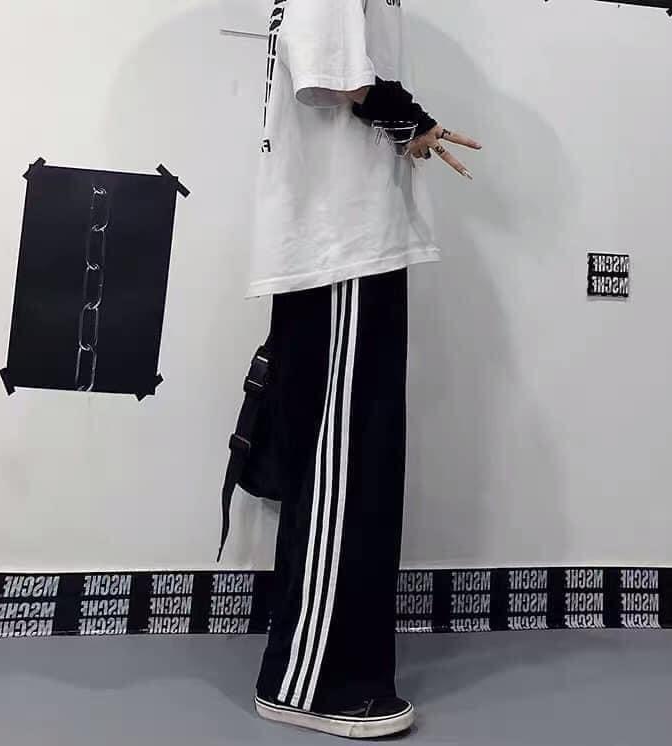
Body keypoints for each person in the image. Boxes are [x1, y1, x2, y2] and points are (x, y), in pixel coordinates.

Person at [245, 0, 481, 738]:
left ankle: (328, 668)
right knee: (341, 472)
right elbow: (335, 76)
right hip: (340, 249)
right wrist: (415, 123)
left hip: (349, 246)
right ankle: (312, 680)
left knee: (354, 466)